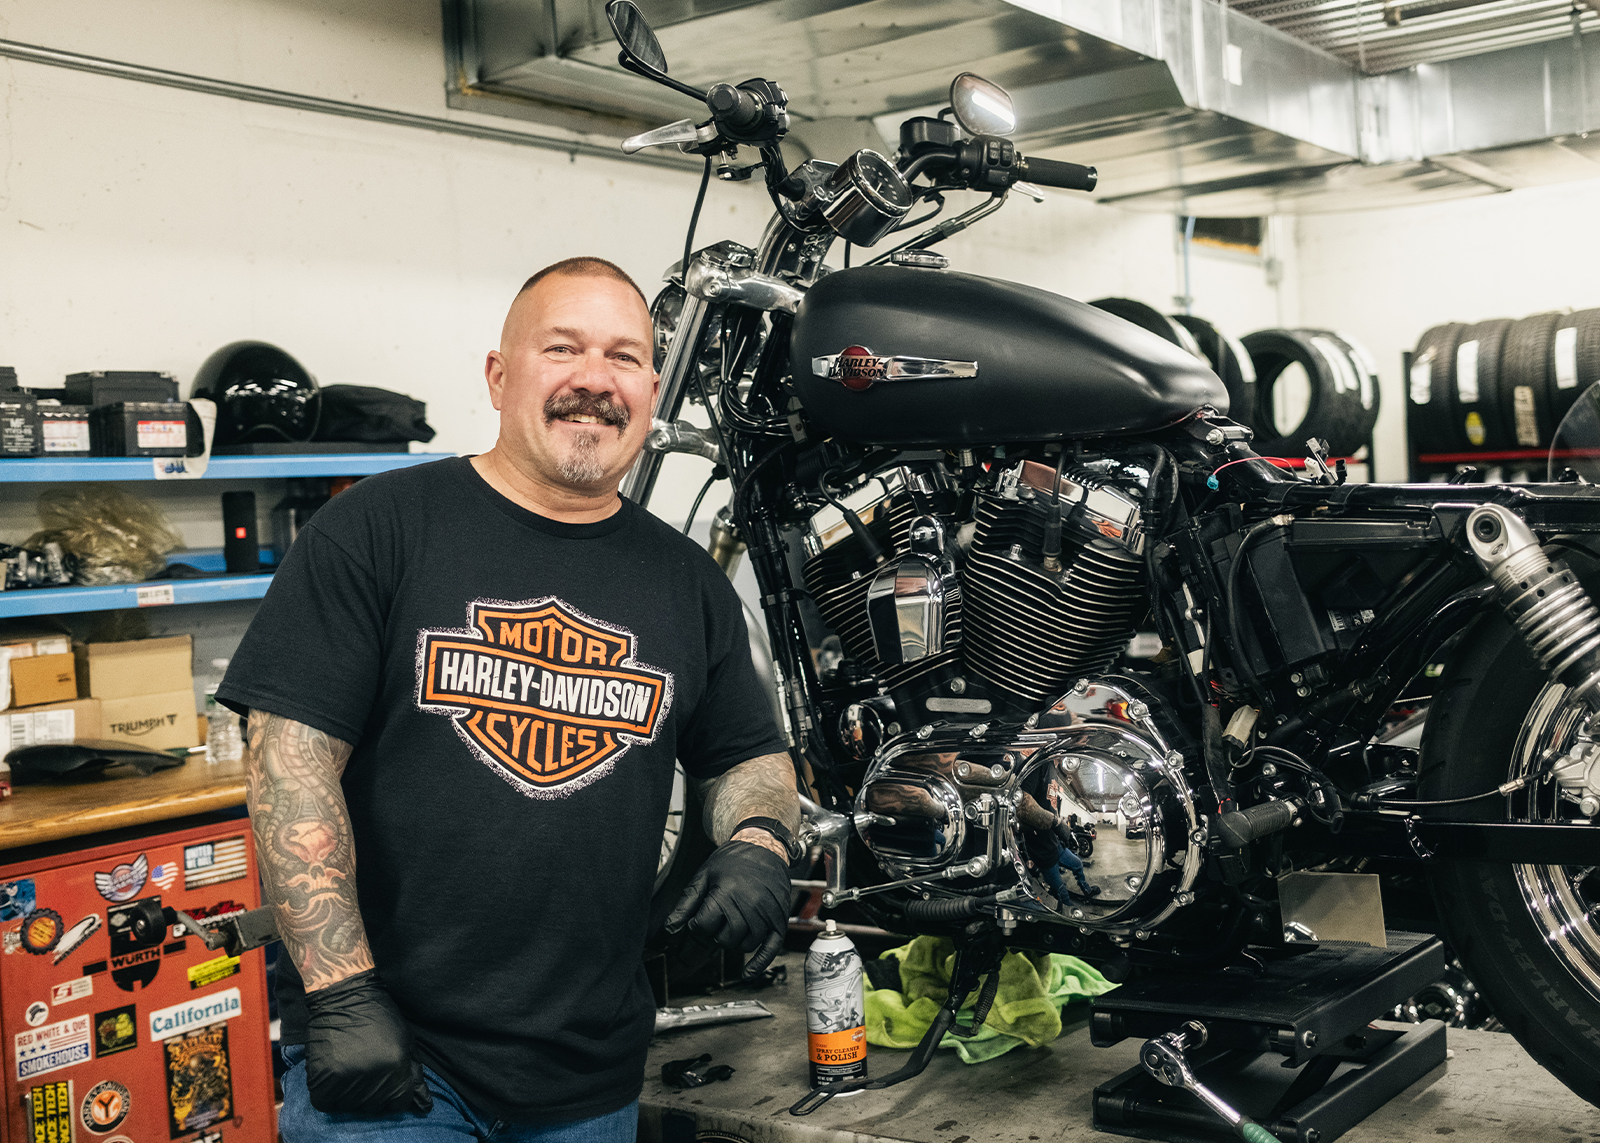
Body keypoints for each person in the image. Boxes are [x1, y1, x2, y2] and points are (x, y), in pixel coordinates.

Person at [217, 257, 799, 1142]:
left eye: (621, 357)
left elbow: (747, 753)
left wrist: (759, 840)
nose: (593, 381)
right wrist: (341, 992)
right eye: (562, 348)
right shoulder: (377, 529)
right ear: (499, 375)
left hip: (587, 1066)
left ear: (651, 388)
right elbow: (289, 761)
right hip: (397, 1058)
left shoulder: (686, 581)